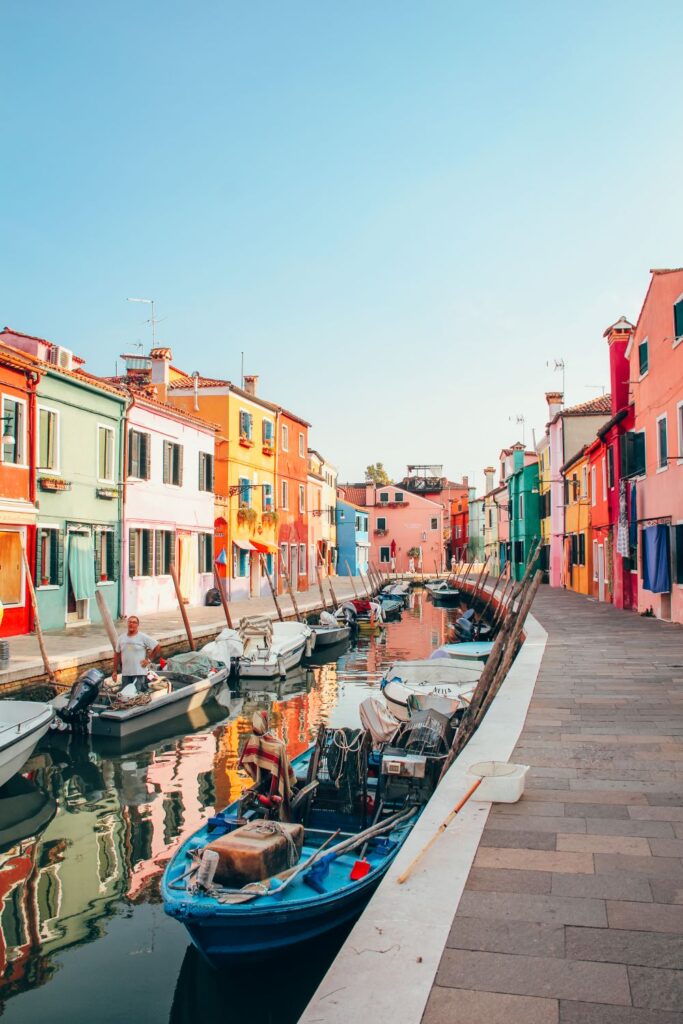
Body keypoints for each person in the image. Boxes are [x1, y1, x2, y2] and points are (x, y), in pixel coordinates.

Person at [112, 616, 161, 693]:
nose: (131, 624)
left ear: (138, 625)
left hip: (139, 673)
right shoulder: (121, 638)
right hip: (126, 674)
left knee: (137, 696)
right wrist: (114, 671)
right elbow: (117, 654)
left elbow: (157, 647)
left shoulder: (142, 637)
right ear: (127, 624)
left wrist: (148, 660)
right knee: (125, 696)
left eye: (134, 622)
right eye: (130, 622)